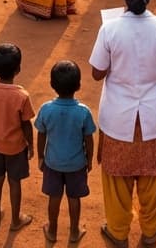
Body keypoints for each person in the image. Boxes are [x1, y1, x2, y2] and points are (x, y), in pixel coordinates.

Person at [89, 0, 156, 248]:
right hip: (153, 119)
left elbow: (97, 72)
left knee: (117, 179)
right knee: (153, 178)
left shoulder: (110, 28)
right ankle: (150, 234)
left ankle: (118, 234)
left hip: (118, 119)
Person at [36, 60, 96, 245]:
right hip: (76, 164)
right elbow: (89, 139)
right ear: (78, 85)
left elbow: (41, 135)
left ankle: (52, 230)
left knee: (54, 197)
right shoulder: (83, 112)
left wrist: (40, 157)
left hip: (52, 162)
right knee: (74, 197)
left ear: (52, 84)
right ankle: (74, 231)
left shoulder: (46, 109)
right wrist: (90, 160)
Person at [0, 43, 35, 232]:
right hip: (16, 148)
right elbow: (26, 124)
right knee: (14, 182)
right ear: (18, 69)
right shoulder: (21, 96)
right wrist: (31, 145)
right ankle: (15, 220)